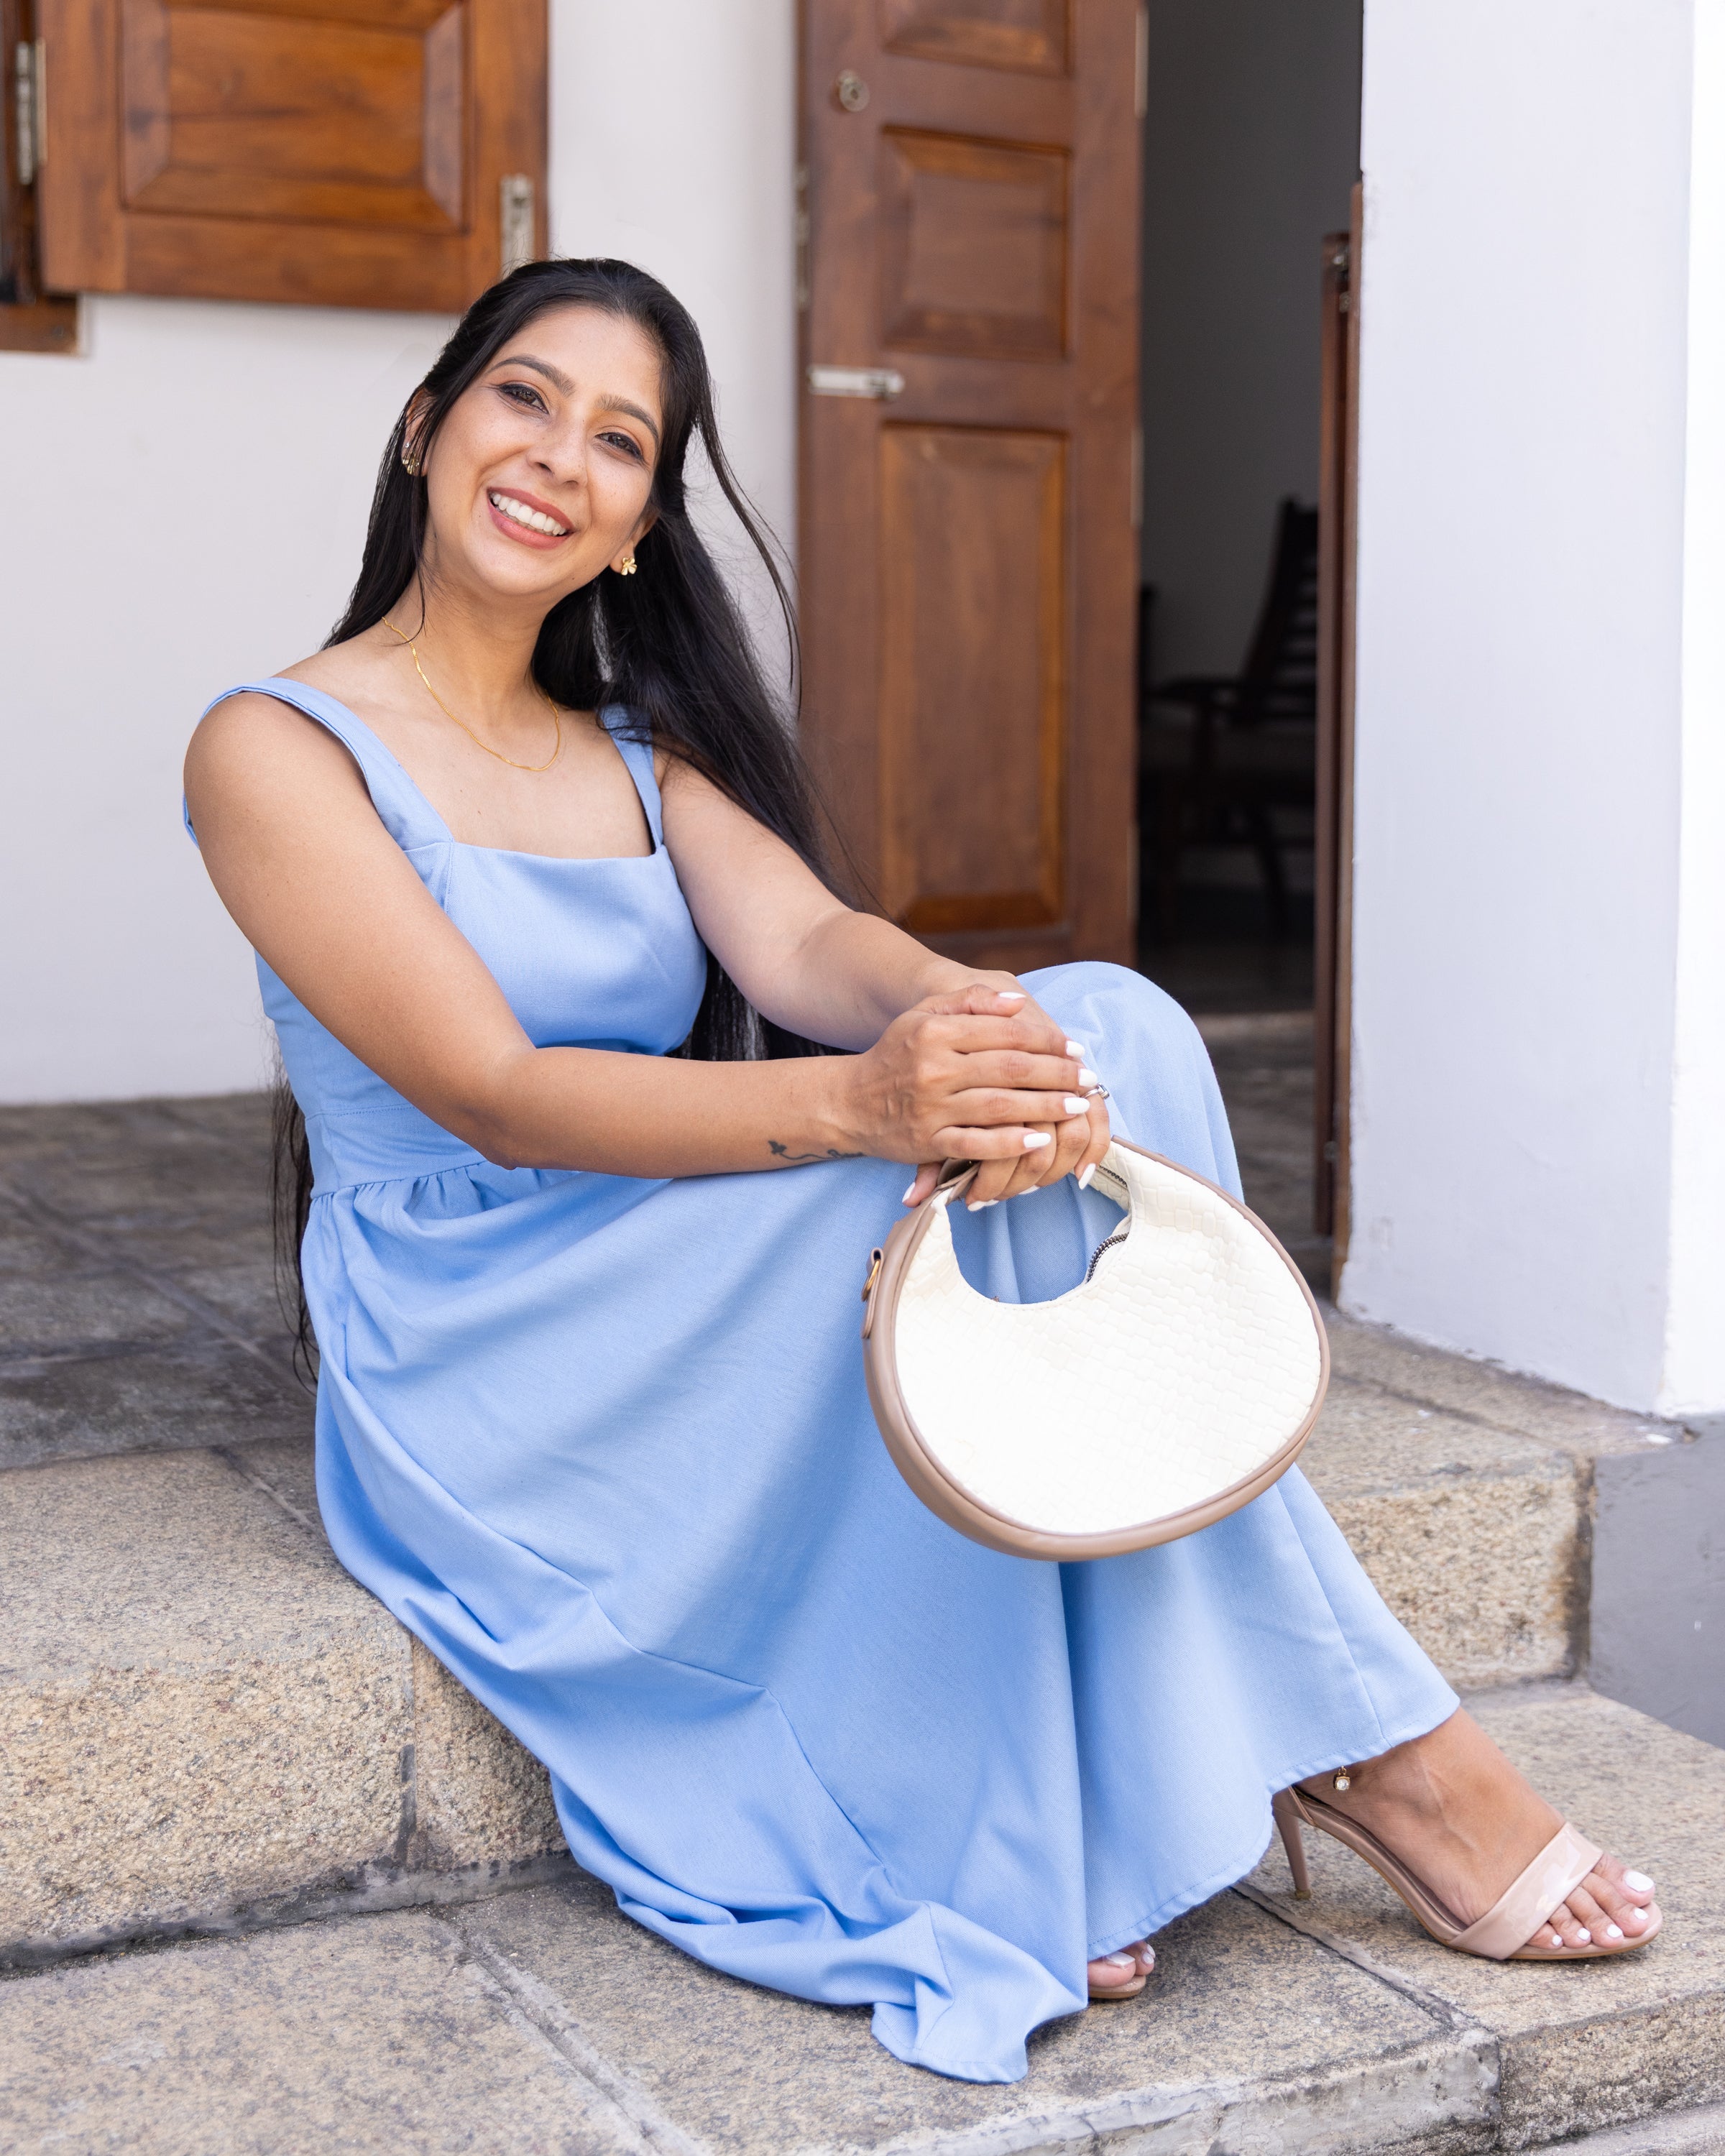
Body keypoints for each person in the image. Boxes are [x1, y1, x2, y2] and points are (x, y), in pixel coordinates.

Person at [183, 258, 1660, 2084]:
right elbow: (495, 1092)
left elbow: (816, 949)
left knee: (1105, 1026)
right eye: (523, 399)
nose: (560, 457)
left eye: (621, 438)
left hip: (662, 1247)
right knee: (903, 1203)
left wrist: (977, 1030)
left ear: (645, 525)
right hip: (490, 1325)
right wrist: (866, 1111)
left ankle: (1127, 1778)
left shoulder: (634, 757)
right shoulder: (274, 744)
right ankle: (1370, 1747)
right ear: (428, 428)